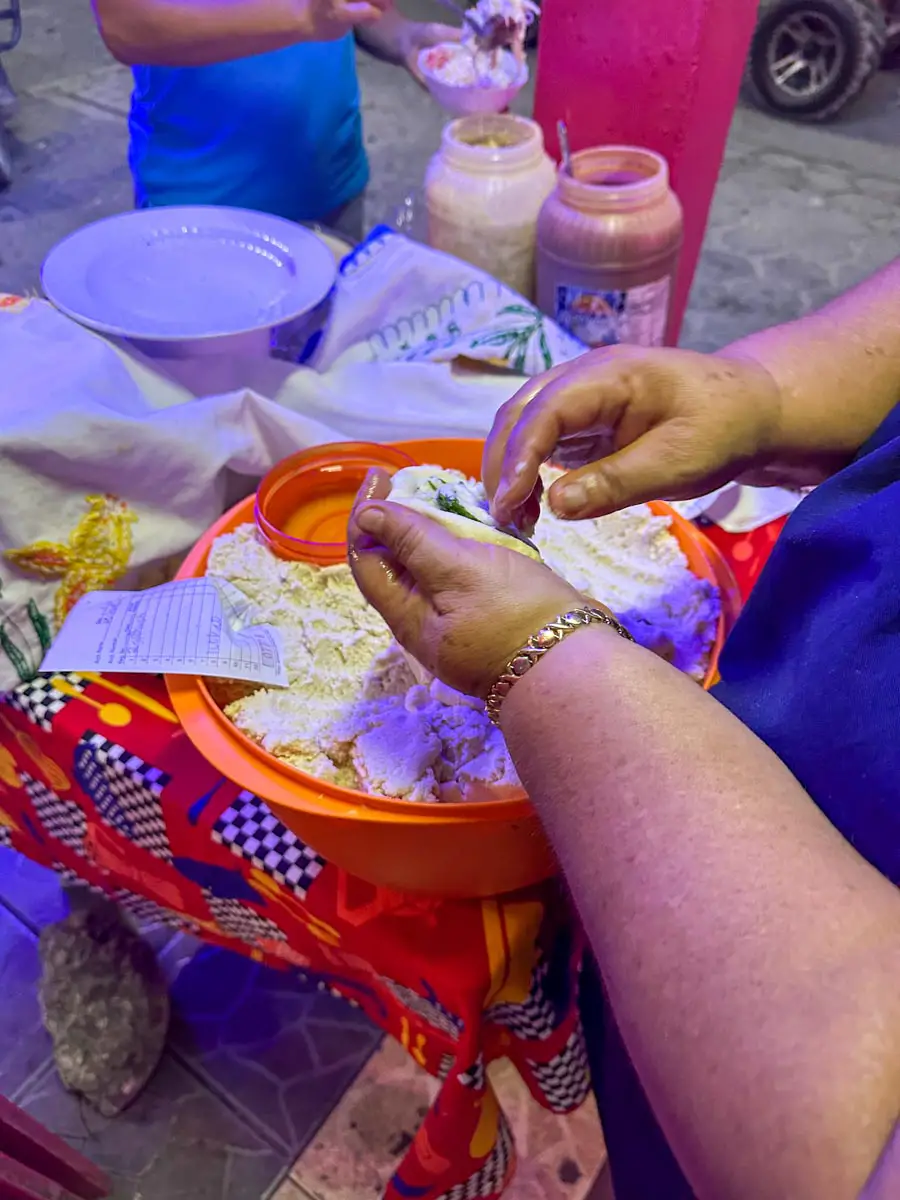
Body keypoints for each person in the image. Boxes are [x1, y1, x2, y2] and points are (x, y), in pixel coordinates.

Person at [347, 256, 900, 1199]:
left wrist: (545, 657)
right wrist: (766, 391)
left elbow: (849, 1153)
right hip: (693, 960)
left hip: (764, 1063)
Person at [91, 0, 458, 237]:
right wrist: (304, 18)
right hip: (204, 206)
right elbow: (126, 25)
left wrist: (403, 35)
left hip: (330, 184)